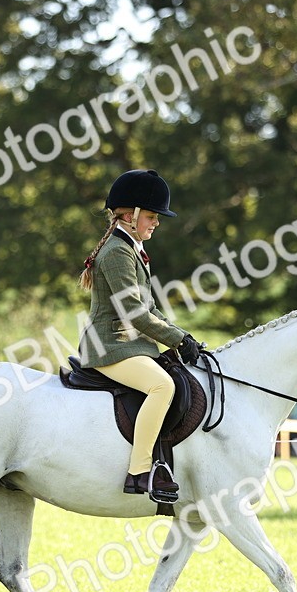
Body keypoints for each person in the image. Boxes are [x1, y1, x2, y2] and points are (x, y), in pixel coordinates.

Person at [78, 169, 203, 501]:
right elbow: (133, 313)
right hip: (110, 347)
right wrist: (175, 339)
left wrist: (182, 336)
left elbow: (149, 308)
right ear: (130, 216)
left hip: (129, 345)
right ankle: (140, 471)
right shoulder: (118, 253)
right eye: (151, 216)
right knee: (163, 385)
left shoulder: (131, 249)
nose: (156, 223)